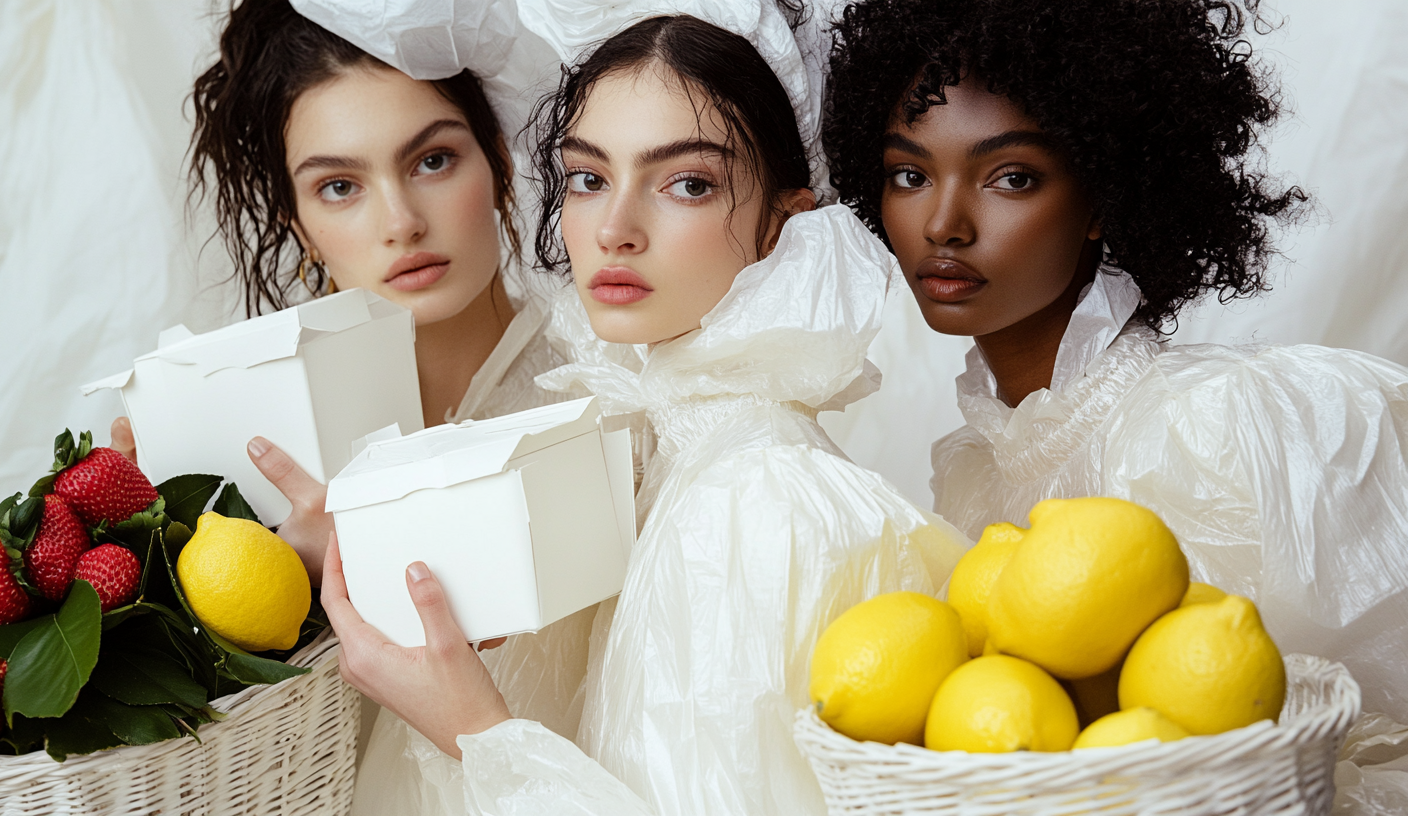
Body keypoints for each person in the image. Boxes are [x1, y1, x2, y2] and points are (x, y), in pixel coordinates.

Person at [319, 4, 970, 813]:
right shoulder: (638, 454)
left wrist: (477, 730)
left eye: (687, 183)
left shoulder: (759, 504)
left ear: (783, 222)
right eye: (589, 178)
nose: (614, 228)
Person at [825, 0, 1408, 809]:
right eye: (909, 174)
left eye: (1011, 177)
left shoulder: (1226, 424)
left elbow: (1363, 739)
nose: (944, 223)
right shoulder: (973, 474)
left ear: (1102, 197)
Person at [110, 1, 593, 812]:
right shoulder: (253, 446)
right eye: (340, 186)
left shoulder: (604, 400)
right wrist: (176, 579)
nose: (400, 222)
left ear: (501, 162)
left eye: (434, 161)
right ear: (299, 227)